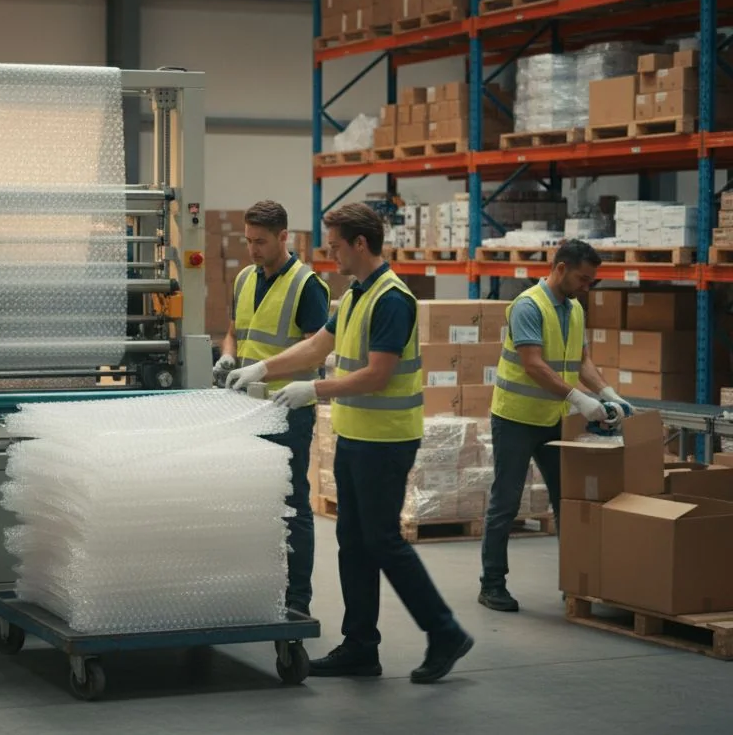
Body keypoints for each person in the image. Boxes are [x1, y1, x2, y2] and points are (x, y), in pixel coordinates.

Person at [228, 202, 473, 684]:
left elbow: (378, 374)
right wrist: (262, 368)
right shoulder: (358, 293)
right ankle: (361, 646)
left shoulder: (391, 299)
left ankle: (444, 631)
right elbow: (319, 344)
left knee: (381, 541)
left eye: (336, 246)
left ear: (360, 244)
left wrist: (313, 389)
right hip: (356, 435)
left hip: (387, 441)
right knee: (352, 542)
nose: (330, 254)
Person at [479, 239, 626, 612]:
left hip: (552, 420)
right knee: (506, 502)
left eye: (591, 281)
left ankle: (576, 582)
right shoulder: (529, 305)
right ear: (560, 268)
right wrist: (579, 399)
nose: (586, 286)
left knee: (567, 500)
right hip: (515, 418)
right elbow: (533, 364)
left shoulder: (574, 308)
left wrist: (609, 393)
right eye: (583, 278)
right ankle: (492, 583)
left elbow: (582, 360)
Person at [214, 200, 329, 617]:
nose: (253, 249)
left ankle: (298, 600)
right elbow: (234, 331)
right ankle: (257, 589)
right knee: (248, 502)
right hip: (246, 408)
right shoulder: (245, 278)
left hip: (287, 410)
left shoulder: (306, 285)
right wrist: (229, 355)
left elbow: (315, 349)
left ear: (284, 236)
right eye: (248, 240)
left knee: (292, 504)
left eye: (261, 241)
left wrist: (264, 368)